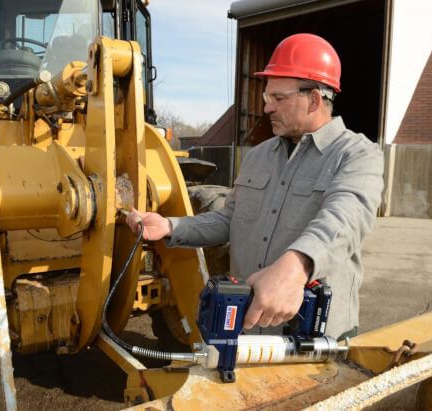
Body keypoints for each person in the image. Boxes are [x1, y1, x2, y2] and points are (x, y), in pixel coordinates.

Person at [126, 33, 384, 341]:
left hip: (315, 339)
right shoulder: (260, 156)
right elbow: (231, 218)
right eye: (266, 98)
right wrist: (170, 226)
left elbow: (345, 219)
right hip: (248, 330)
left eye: (279, 98)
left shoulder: (357, 155)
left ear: (314, 99)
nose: (267, 108)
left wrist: (293, 270)